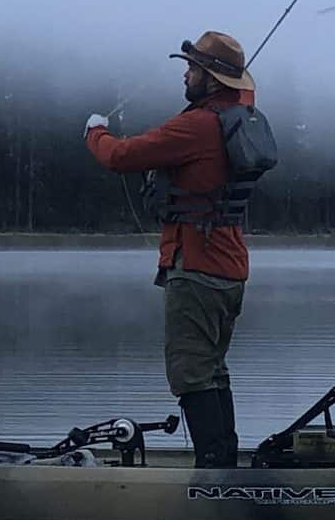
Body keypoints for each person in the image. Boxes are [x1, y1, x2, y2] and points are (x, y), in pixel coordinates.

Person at [84, 31, 254, 468]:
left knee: (191, 374)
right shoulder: (239, 118)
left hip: (196, 267)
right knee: (212, 370)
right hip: (228, 266)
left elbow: (120, 156)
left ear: (212, 79)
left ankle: (214, 476)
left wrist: (95, 132)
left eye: (193, 68)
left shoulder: (197, 126)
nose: (185, 72)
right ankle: (224, 463)